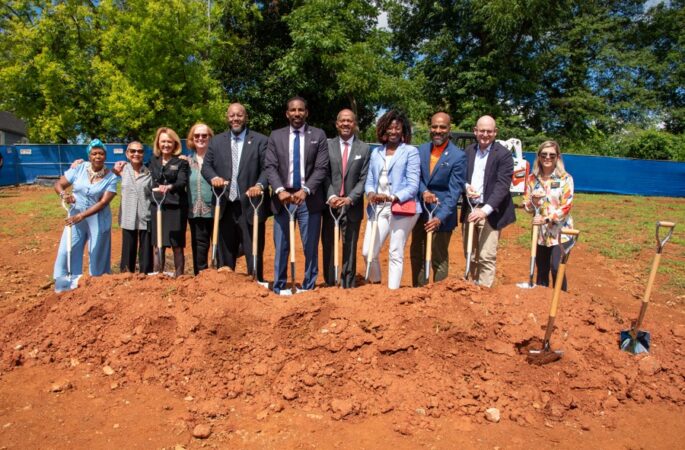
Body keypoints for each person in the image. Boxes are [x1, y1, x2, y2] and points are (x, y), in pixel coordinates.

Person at [264, 96, 329, 295]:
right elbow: (270, 166)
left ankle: (308, 287)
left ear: (306, 112)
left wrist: (306, 190)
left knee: (310, 246)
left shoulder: (318, 135)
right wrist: (279, 190)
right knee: (282, 245)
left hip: (309, 199)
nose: (297, 114)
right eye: (293, 110)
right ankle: (280, 286)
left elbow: (321, 167)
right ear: (287, 113)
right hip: (283, 199)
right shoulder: (276, 136)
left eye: (301, 110)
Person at [202, 103, 270, 280]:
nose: (235, 119)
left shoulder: (260, 140)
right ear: (227, 118)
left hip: (250, 204)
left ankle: (256, 283)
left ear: (245, 117)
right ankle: (226, 289)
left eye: (239, 115)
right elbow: (206, 167)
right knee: (225, 253)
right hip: (224, 204)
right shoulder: (216, 141)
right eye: (232, 115)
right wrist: (213, 178)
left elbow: (268, 168)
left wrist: (260, 186)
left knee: (253, 250)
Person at [362, 109, 421, 289]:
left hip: (402, 207)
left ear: (403, 131)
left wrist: (393, 196)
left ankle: (392, 293)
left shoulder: (410, 152)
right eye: (390, 128)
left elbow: (413, 185)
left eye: (397, 128)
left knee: (395, 251)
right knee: (368, 252)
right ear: (383, 130)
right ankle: (377, 283)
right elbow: (370, 181)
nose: (393, 131)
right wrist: (371, 194)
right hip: (379, 207)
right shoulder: (376, 152)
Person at [410, 112, 467, 286]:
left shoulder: (458, 156)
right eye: (434, 126)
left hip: (442, 215)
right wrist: (423, 191)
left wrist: (439, 218)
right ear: (430, 128)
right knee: (417, 253)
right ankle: (419, 292)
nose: (438, 130)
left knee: (438, 257)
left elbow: (454, 191)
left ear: (449, 129)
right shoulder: (420, 150)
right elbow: (415, 177)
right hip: (420, 211)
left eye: (442, 127)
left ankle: (438, 297)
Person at [459, 115, 515, 287]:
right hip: (470, 209)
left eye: (489, 131)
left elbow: (502, 186)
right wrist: (466, 186)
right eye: (481, 130)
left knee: (486, 256)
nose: (485, 134)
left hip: (490, 212)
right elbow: (460, 176)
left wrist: (485, 210)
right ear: (475, 131)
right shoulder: (468, 152)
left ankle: (484, 294)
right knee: (470, 253)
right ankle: (471, 288)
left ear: (495, 132)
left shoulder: (504, 155)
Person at [53, 139, 118, 282]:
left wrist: (82, 215)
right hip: (75, 216)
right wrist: (64, 195)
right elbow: (59, 184)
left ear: (105, 156)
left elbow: (103, 202)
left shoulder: (111, 177)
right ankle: (65, 281)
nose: (98, 156)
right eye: (94, 153)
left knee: (96, 253)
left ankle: (97, 283)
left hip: (98, 218)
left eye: (101, 153)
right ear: (89, 156)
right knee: (67, 249)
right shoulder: (79, 168)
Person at [321, 108, 370, 288]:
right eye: (342, 120)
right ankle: (330, 282)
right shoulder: (326, 145)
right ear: (337, 124)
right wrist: (332, 196)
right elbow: (323, 174)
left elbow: (364, 178)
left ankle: (347, 284)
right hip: (330, 205)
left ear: (354, 124)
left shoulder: (364, 149)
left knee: (349, 246)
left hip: (352, 206)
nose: (346, 124)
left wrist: (350, 198)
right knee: (329, 244)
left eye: (349, 121)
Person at [523, 140, 574, 291]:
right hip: (541, 234)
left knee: (556, 267)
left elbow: (566, 206)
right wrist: (533, 201)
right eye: (544, 154)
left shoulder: (565, 178)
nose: (547, 158)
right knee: (542, 270)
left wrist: (547, 218)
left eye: (552, 155)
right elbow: (526, 205)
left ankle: (562, 300)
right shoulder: (532, 179)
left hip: (561, 233)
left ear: (558, 157)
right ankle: (541, 301)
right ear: (538, 156)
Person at [149, 127, 189, 277]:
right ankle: (158, 274)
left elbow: (182, 182)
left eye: (169, 141)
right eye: (163, 141)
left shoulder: (181, 162)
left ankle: (179, 276)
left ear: (175, 144)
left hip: (175, 206)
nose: (166, 144)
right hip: (157, 206)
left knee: (176, 244)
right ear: (158, 143)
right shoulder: (153, 161)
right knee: (157, 244)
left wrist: (169, 187)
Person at [117, 141, 153, 274]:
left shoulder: (149, 171)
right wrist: (79, 163)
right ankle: (126, 276)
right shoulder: (121, 170)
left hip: (145, 215)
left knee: (146, 250)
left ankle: (146, 275)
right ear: (127, 154)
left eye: (139, 151)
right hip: (128, 216)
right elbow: (100, 168)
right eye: (132, 151)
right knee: (128, 249)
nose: (136, 154)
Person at [186, 123, 215, 275]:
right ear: (192, 139)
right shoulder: (186, 162)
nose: (200, 138)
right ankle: (200, 278)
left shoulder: (217, 161)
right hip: (195, 211)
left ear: (210, 138)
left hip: (216, 210)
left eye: (204, 135)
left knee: (219, 245)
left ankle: (218, 277)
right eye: (197, 136)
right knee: (199, 246)